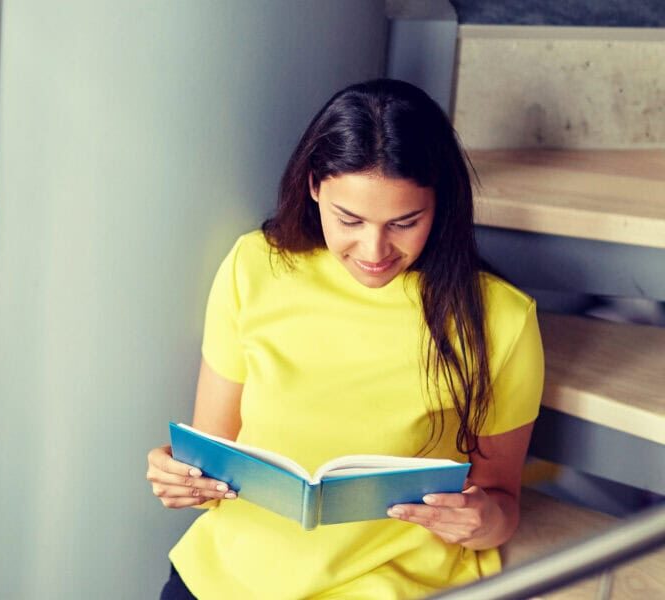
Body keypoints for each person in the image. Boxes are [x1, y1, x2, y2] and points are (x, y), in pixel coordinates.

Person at [145, 79, 544, 599]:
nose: (373, 249)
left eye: (405, 222)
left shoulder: (501, 320)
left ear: (439, 203)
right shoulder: (254, 266)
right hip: (227, 576)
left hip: (386, 585)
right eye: (349, 219)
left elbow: (501, 508)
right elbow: (209, 468)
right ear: (314, 187)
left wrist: (481, 518)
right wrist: (180, 478)